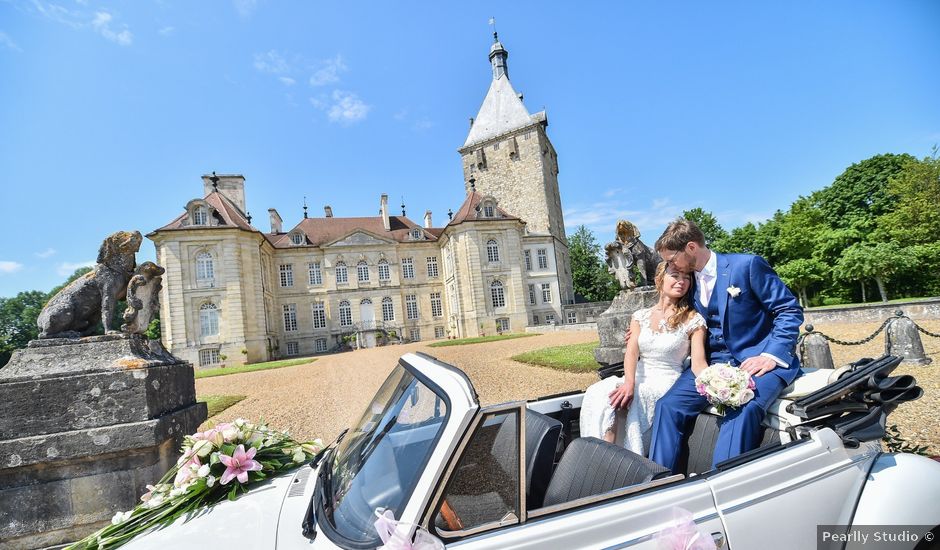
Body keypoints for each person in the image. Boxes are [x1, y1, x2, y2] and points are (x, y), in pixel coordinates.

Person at [646, 219, 803, 473]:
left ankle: (721, 483)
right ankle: (659, 483)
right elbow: (670, 312)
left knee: (743, 407)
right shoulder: (688, 281)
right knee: (668, 406)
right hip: (710, 364)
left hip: (757, 360)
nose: (669, 266)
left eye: (672, 259)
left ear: (691, 248)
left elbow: (788, 309)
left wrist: (771, 355)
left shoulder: (747, 265)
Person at [580, 262, 707, 456]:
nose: (682, 281)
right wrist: (629, 382)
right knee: (600, 391)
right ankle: (600, 458)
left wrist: (719, 385)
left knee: (626, 399)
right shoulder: (640, 316)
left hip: (666, 381)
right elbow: (631, 352)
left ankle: (612, 460)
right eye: (675, 275)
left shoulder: (693, 320)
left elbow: (699, 364)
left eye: (687, 278)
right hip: (638, 375)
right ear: (660, 279)